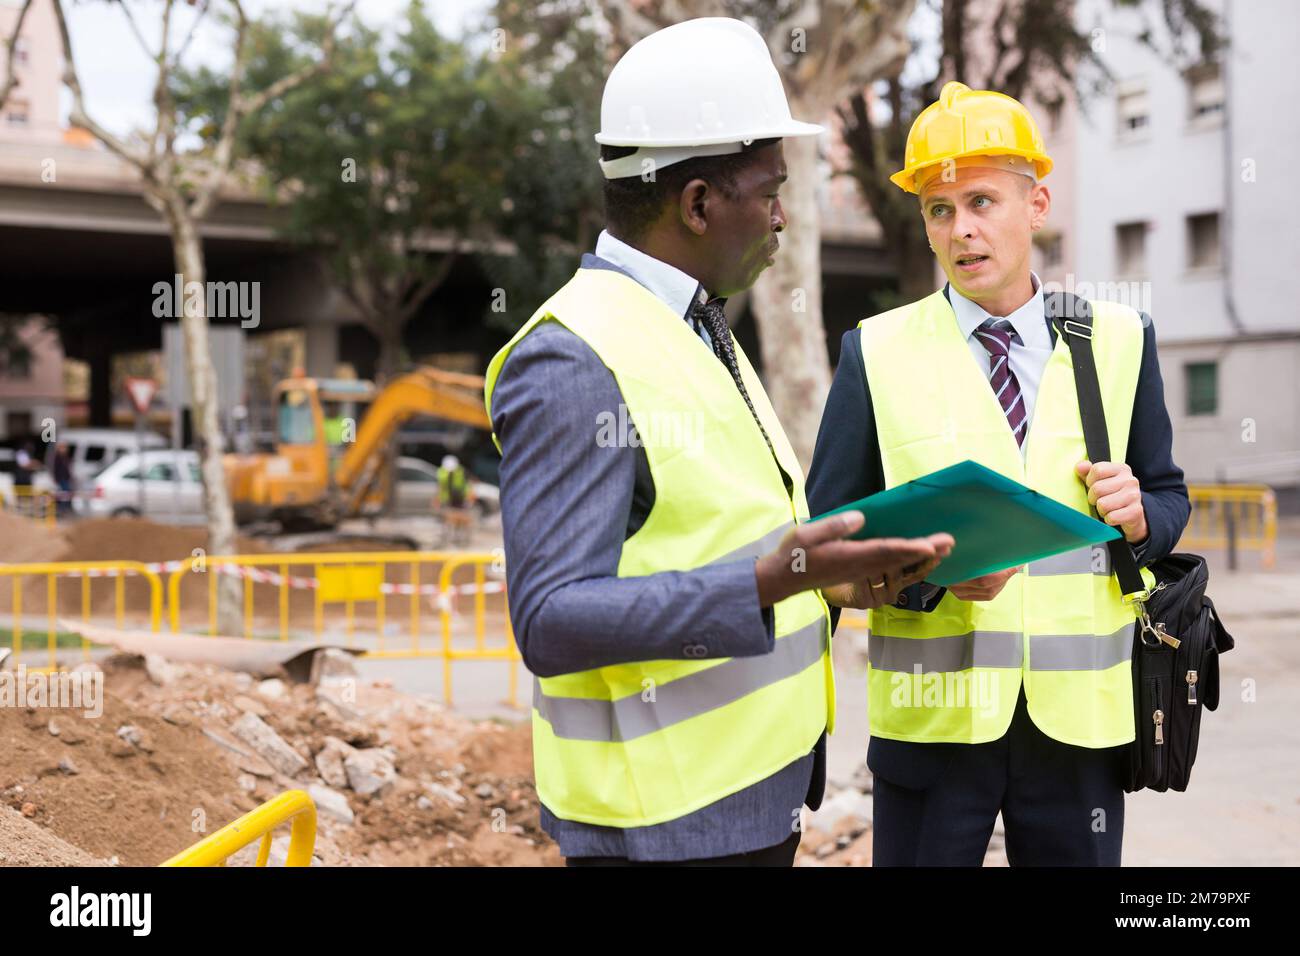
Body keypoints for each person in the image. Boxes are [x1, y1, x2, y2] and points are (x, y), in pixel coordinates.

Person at [485, 17, 952, 867]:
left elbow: (716, 533)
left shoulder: (699, 326)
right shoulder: (573, 358)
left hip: (747, 797)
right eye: (770, 189)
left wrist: (837, 582)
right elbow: (549, 619)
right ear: (697, 203)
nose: (782, 214)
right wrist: (771, 579)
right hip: (665, 821)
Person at [806, 82, 1191, 866]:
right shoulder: (873, 351)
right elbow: (821, 549)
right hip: (934, 727)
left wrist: (1144, 517)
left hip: (1078, 731)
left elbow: (1170, 496)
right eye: (940, 210)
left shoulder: (1120, 340)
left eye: (982, 200)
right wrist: (930, 580)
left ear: (1037, 204)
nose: (962, 230)